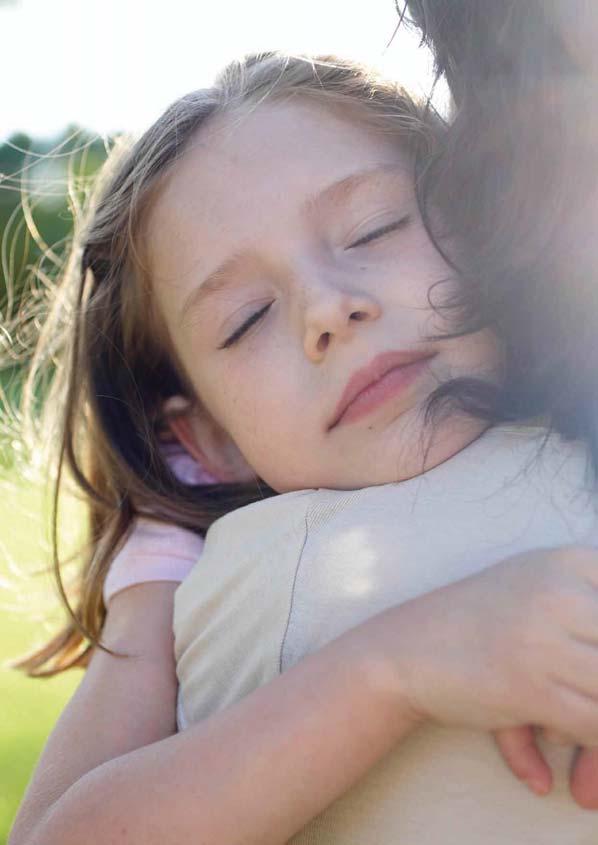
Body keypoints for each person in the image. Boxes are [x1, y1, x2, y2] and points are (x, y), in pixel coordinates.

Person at [8, 53, 598, 845]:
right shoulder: (196, 578)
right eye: (247, 317)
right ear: (207, 438)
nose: (328, 307)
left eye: (373, 228)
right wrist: (397, 666)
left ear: (480, 219)